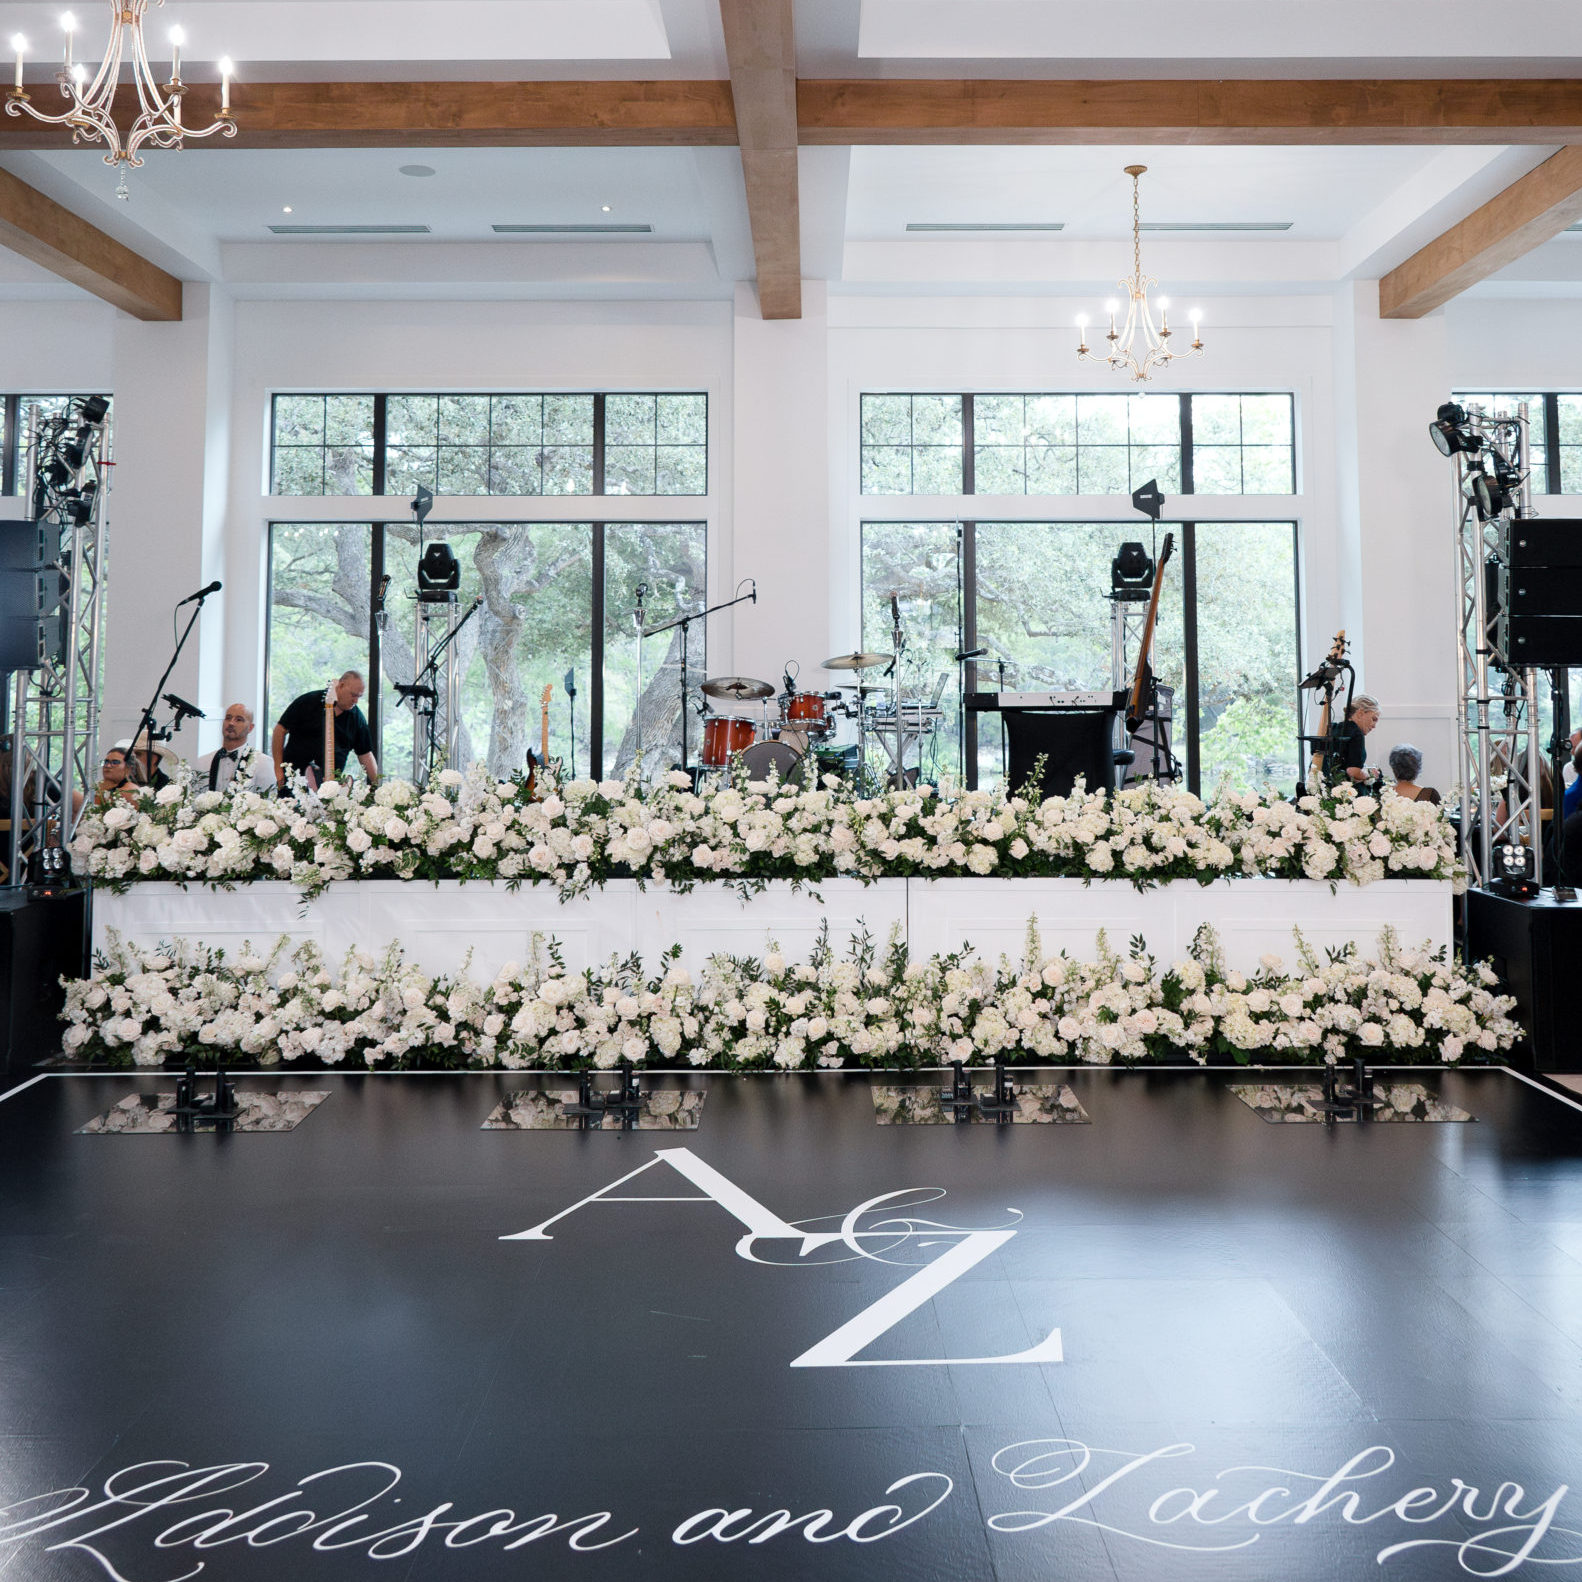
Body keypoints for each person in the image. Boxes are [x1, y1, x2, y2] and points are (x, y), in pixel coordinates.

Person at [272, 671, 379, 791]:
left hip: (329, 790)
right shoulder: (308, 701)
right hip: (293, 780)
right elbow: (280, 730)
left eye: (359, 696)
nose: (356, 701)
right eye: (353, 695)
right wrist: (278, 768)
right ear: (341, 685)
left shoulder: (357, 718)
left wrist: (378, 786)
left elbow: (366, 755)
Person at [197, 703, 275, 794]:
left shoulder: (263, 763)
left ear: (250, 728)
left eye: (239, 720)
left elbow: (268, 802)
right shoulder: (203, 762)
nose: (231, 723)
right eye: (228, 718)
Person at [1327, 693, 1381, 786]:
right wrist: (1370, 774)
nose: (1374, 726)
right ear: (1360, 713)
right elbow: (1353, 772)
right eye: (1374, 719)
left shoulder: (1334, 728)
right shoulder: (1356, 733)